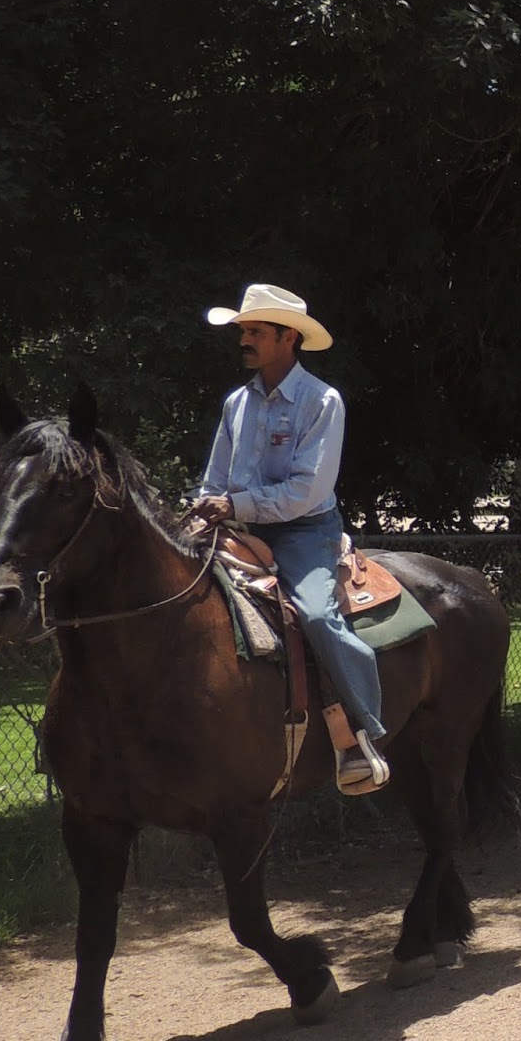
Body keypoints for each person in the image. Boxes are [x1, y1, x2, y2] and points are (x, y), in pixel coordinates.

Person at [191, 283, 389, 796]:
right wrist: (206, 508)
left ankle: (362, 734)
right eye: (244, 331)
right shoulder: (238, 403)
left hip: (303, 531)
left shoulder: (322, 402)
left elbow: (307, 489)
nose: (245, 339)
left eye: (255, 331)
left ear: (288, 338)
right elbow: (216, 476)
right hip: (238, 528)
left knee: (319, 615)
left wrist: (235, 504)